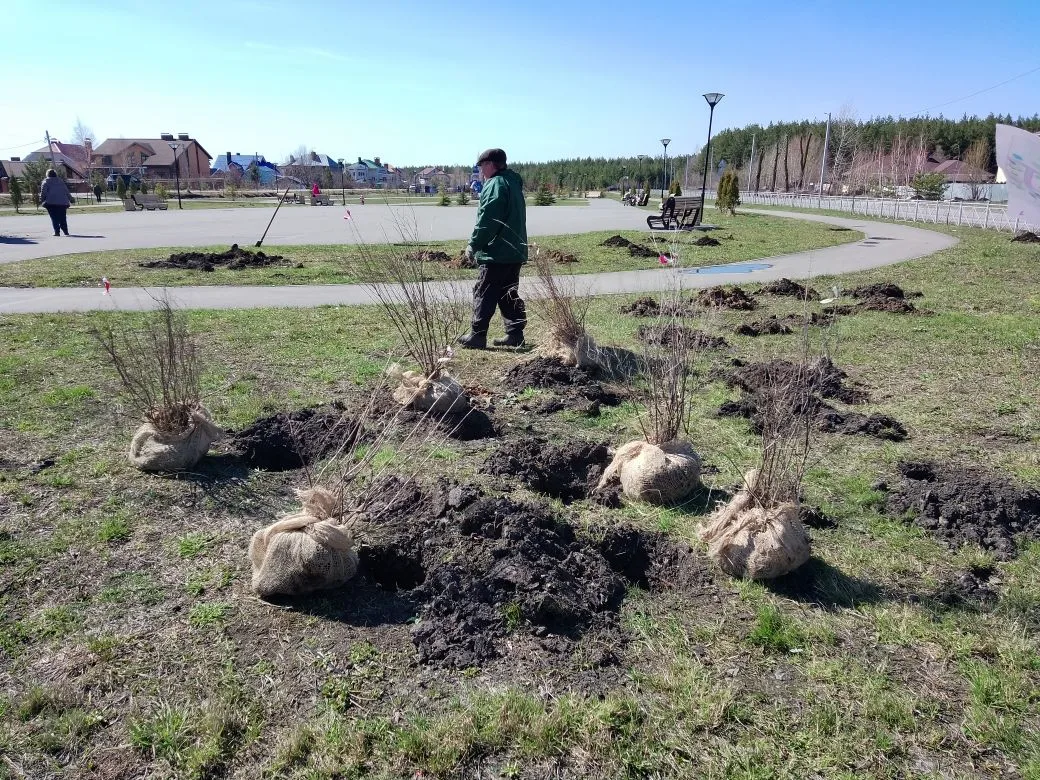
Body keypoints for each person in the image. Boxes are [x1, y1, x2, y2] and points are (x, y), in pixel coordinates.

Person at [457, 148, 528, 349]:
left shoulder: (495, 185)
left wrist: (474, 244)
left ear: (489, 165)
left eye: (481, 166)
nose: (480, 171)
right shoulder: (512, 182)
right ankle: (515, 334)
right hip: (514, 251)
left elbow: (488, 220)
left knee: (484, 292)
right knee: (508, 293)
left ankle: (477, 336)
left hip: (496, 252)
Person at [40, 169, 73, 236]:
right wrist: (71, 199)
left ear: (47, 175)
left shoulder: (46, 182)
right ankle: (65, 231)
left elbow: (43, 193)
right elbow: (66, 191)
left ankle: (57, 232)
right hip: (63, 202)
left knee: (54, 217)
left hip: (51, 202)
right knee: (63, 217)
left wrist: (42, 200)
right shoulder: (61, 181)